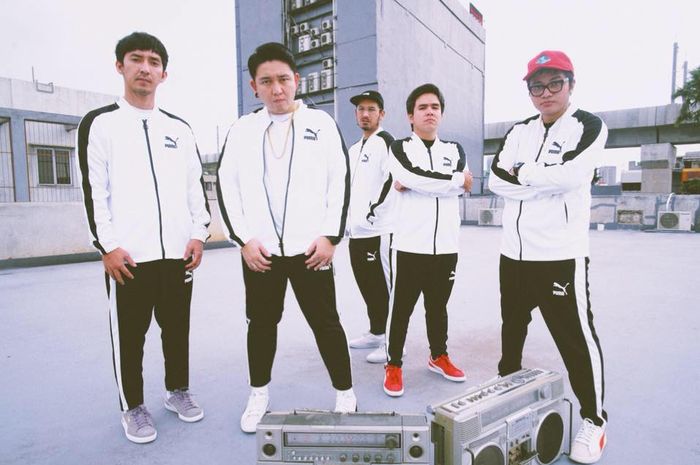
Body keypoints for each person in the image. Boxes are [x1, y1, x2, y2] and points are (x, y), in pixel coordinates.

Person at [77, 32, 210, 444]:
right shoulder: (100, 124)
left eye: (154, 62)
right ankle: (132, 406)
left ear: (163, 74)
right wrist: (107, 247)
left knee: (177, 330)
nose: (145, 68)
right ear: (120, 66)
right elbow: (94, 192)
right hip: (129, 257)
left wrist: (198, 234)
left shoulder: (179, 129)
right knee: (130, 338)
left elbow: (195, 187)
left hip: (177, 255)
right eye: (136, 59)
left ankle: (177, 391)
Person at [217, 42, 356, 433]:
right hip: (261, 253)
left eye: (283, 79)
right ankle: (258, 393)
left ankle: (345, 391)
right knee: (261, 324)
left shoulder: (321, 125)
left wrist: (330, 237)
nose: (276, 89)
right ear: (253, 86)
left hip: (311, 250)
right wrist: (244, 240)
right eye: (266, 82)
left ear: (296, 79)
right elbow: (227, 187)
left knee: (326, 323)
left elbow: (340, 183)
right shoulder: (242, 130)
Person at [487, 50, 609, 464]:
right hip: (513, 254)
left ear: (571, 84)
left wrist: (523, 172)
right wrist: (544, 181)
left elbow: (572, 175)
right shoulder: (519, 131)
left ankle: (594, 418)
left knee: (575, 340)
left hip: (559, 256)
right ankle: (506, 391)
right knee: (512, 331)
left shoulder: (588, 125)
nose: (546, 93)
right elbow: (495, 180)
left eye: (555, 83)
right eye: (537, 86)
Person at [382, 83, 472, 397]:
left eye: (435, 107)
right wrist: (455, 180)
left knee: (438, 307)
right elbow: (412, 176)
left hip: (446, 246)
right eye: (422, 107)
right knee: (401, 310)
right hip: (409, 245)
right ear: (411, 116)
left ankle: (438, 356)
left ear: (441, 114)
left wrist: (418, 182)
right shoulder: (399, 148)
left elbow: (462, 185)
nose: (429, 112)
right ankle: (393, 364)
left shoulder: (455, 150)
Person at [345, 90, 402, 364]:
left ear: (382, 114)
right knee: (367, 286)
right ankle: (377, 332)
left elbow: (392, 180)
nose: (365, 114)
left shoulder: (386, 142)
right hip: (356, 232)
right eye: (361, 109)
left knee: (385, 288)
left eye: (371, 109)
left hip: (379, 230)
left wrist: (372, 212)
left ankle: (393, 343)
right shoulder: (354, 149)